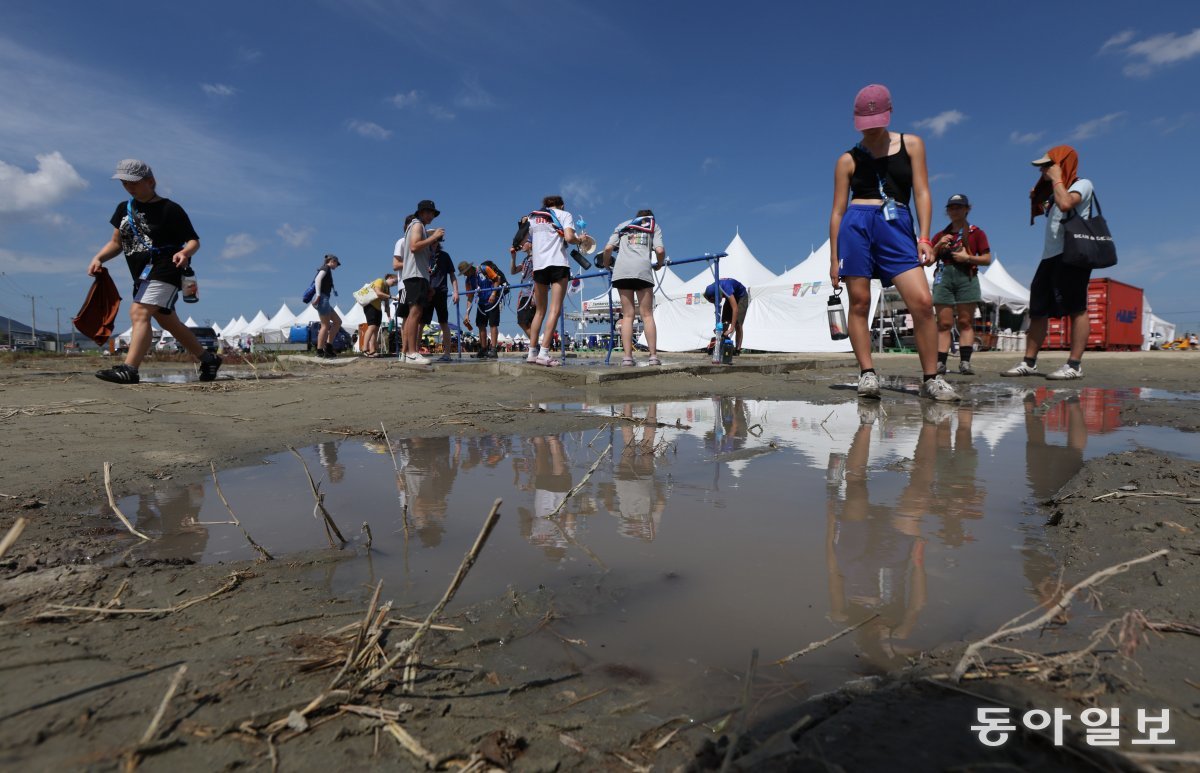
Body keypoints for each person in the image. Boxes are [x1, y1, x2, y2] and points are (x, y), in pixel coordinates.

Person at [829, 85, 960, 402]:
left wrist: (925, 237)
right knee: (859, 302)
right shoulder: (847, 159)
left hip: (896, 223)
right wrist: (834, 259)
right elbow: (837, 211)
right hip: (856, 225)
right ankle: (867, 374)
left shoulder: (912, 144)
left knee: (922, 303)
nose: (872, 125)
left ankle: (932, 378)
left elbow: (922, 192)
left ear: (888, 114)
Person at [87, 159, 221, 384]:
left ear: (151, 181)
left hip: (166, 269)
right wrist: (99, 257)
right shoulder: (124, 209)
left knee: (139, 312)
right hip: (141, 274)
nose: (129, 187)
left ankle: (130, 369)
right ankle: (208, 359)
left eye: (134, 182)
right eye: (124, 183)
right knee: (169, 323)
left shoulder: (170, 209)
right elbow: (117, 242)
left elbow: (193, 241)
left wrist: (185, 252)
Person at [1003, 146, 1096, 380]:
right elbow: (1051, 208)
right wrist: (1040, 197)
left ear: (1062, 164)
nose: (1043, 170)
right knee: (1038, 311)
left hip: (1073, 254)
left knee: (1076, 308)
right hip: (1049, 257)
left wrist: (1056, 180)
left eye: (1047, 165)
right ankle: (1029, 362)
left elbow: (1066, 204)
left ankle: (1074, 365)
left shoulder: (1082, 184)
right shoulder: (1056, 190)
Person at [931, 194, 992, 376]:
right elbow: (927, 261)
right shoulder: (941, 235)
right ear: (947, 211)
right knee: (944, 323)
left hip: (967, 276)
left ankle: (965, 362)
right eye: (951, 207)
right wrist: (937, 246)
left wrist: (968, 258)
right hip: (944, 276)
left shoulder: (976, 233)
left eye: (959, 207)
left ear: (967, 209)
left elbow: (987, 259)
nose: (955, 210)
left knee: (965, 321)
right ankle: (940, 362)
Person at [526, 196, 585, 366]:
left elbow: (528, 243)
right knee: (555, 309)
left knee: (539, 311)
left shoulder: (533, 218)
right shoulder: (564, 214)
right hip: (558, 264)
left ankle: (532, 352)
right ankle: (544, 353)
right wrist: (580, 239)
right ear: (562, 205)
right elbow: (568, 237)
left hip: (538, 266)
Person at [603, 210, 666, 366]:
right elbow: (660, 250)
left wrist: (606, 264)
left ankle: (627, 358)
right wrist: (659, 264)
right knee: (647, 315)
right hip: (642, 270)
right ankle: (652, 356)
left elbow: (608, 249)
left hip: (622, 271)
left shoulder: (623, 225)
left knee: (628, 316)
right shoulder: (654, 226)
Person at [394, 200, 444, 365]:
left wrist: (428, 284)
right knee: (414, 314)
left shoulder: (417, 226)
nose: (431, 216)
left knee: (412, 315)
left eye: (432, 213)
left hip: (417, 276)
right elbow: (414, 247)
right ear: (421, 212)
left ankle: (409, 352)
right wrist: (434, 237)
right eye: (428, 212)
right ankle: (412, 353)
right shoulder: (417, 225)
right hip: (415, 276)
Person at [458, 261, 503, 359]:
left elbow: (497, 279)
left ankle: (493, 350)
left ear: (470, 268)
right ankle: (483, 350)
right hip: (481, 303)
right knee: (481, 325)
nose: (465, 275)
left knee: (493, 324)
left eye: (465, 272)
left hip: (492, 301)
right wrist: (467, 314)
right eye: (463, 273)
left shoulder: (484, 269)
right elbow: (470, 297)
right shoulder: (468, 281)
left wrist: (493, 294)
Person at [426, 243, 459, 361]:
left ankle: (447, 354)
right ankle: (414, 351)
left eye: (435, 240)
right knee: (420, 322)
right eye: (431, 239)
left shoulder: (445, 256)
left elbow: (452, 275)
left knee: (443, 322)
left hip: (441, 292)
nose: (433, 242)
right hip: (426, 293)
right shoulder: (424, 255)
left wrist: (455, 292)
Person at [309, 254, 343, 358]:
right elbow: (318, 279)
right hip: (322, 299)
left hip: (325, 299)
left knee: (338, 321)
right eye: (337, 263)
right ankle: (319, 351)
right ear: (332, 261)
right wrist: (318, 295)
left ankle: (328, 347)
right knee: (325, 325)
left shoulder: (327, 269)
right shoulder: (325, 268)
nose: (337, 266)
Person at [702, 277, 749, 353]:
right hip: (730, 295)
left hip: (741, 297)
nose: (715, 302)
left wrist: (731, 328)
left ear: (715, 295)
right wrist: (718, 326)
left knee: (738, 324)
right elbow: (717, 309)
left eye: (714, 300)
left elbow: (735, 309)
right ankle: (723, 344)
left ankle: (738, 349)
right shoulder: (711, 289)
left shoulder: (726, 288)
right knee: (725, 321)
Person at [510, 221, 537, 342]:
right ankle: (535, 346)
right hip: (524, 294)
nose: (521, 245)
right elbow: (513, 271)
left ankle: (535, 345)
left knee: (524, 321)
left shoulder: (535, 258)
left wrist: (535, 295)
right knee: (525, 322)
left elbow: (537, 276)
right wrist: (513, 257)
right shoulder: (526, 260)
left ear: (530, 244)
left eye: (524, 242)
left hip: (531, 293)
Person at [360, 273, 397, 358]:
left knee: (376, 329)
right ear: (390, 278)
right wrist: (391, 297)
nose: (394, 285)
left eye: (396, 284)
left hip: (378, 308)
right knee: (372, 327)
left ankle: (372, 350)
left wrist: (389, 317)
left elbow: (387, 305)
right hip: (370, 305)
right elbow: (378, 293)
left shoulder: (387, 289)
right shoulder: (380, 281)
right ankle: (365, 349)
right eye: (394, 282)